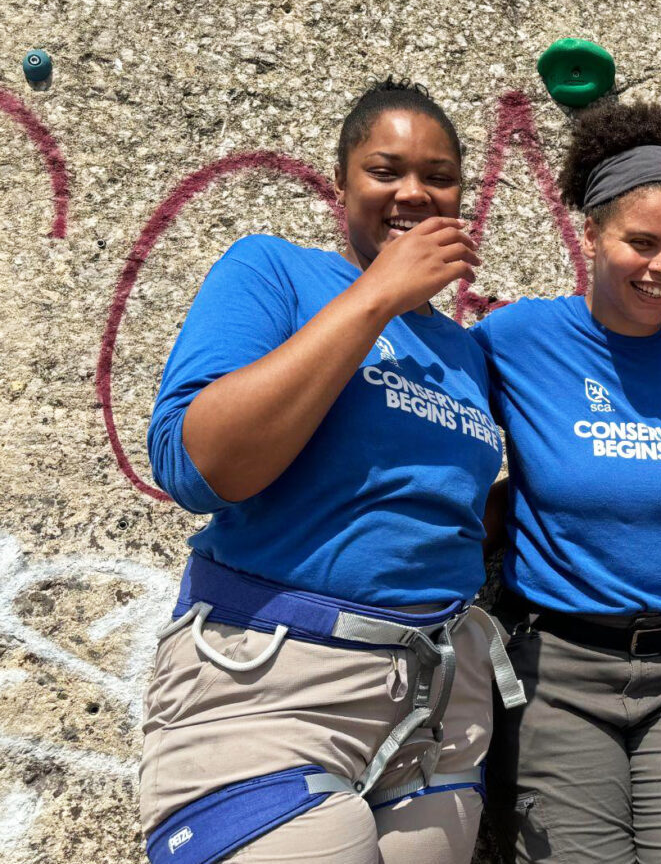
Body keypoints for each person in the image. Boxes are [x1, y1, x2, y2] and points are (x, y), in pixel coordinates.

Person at [138, 78, 522, 864]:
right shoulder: (273, 272)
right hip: (276, 682)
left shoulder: (466, 353)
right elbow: (196, 465)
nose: (414, 191)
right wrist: (375, 296)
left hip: (437, 702)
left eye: (439, 175)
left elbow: (438, 506)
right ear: (341, 182)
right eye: (386, 170)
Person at [473, 100, 661, 864]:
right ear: (590, 234)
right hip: (559, 674)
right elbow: (440, 434)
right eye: (640, 242)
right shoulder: (517, 339)